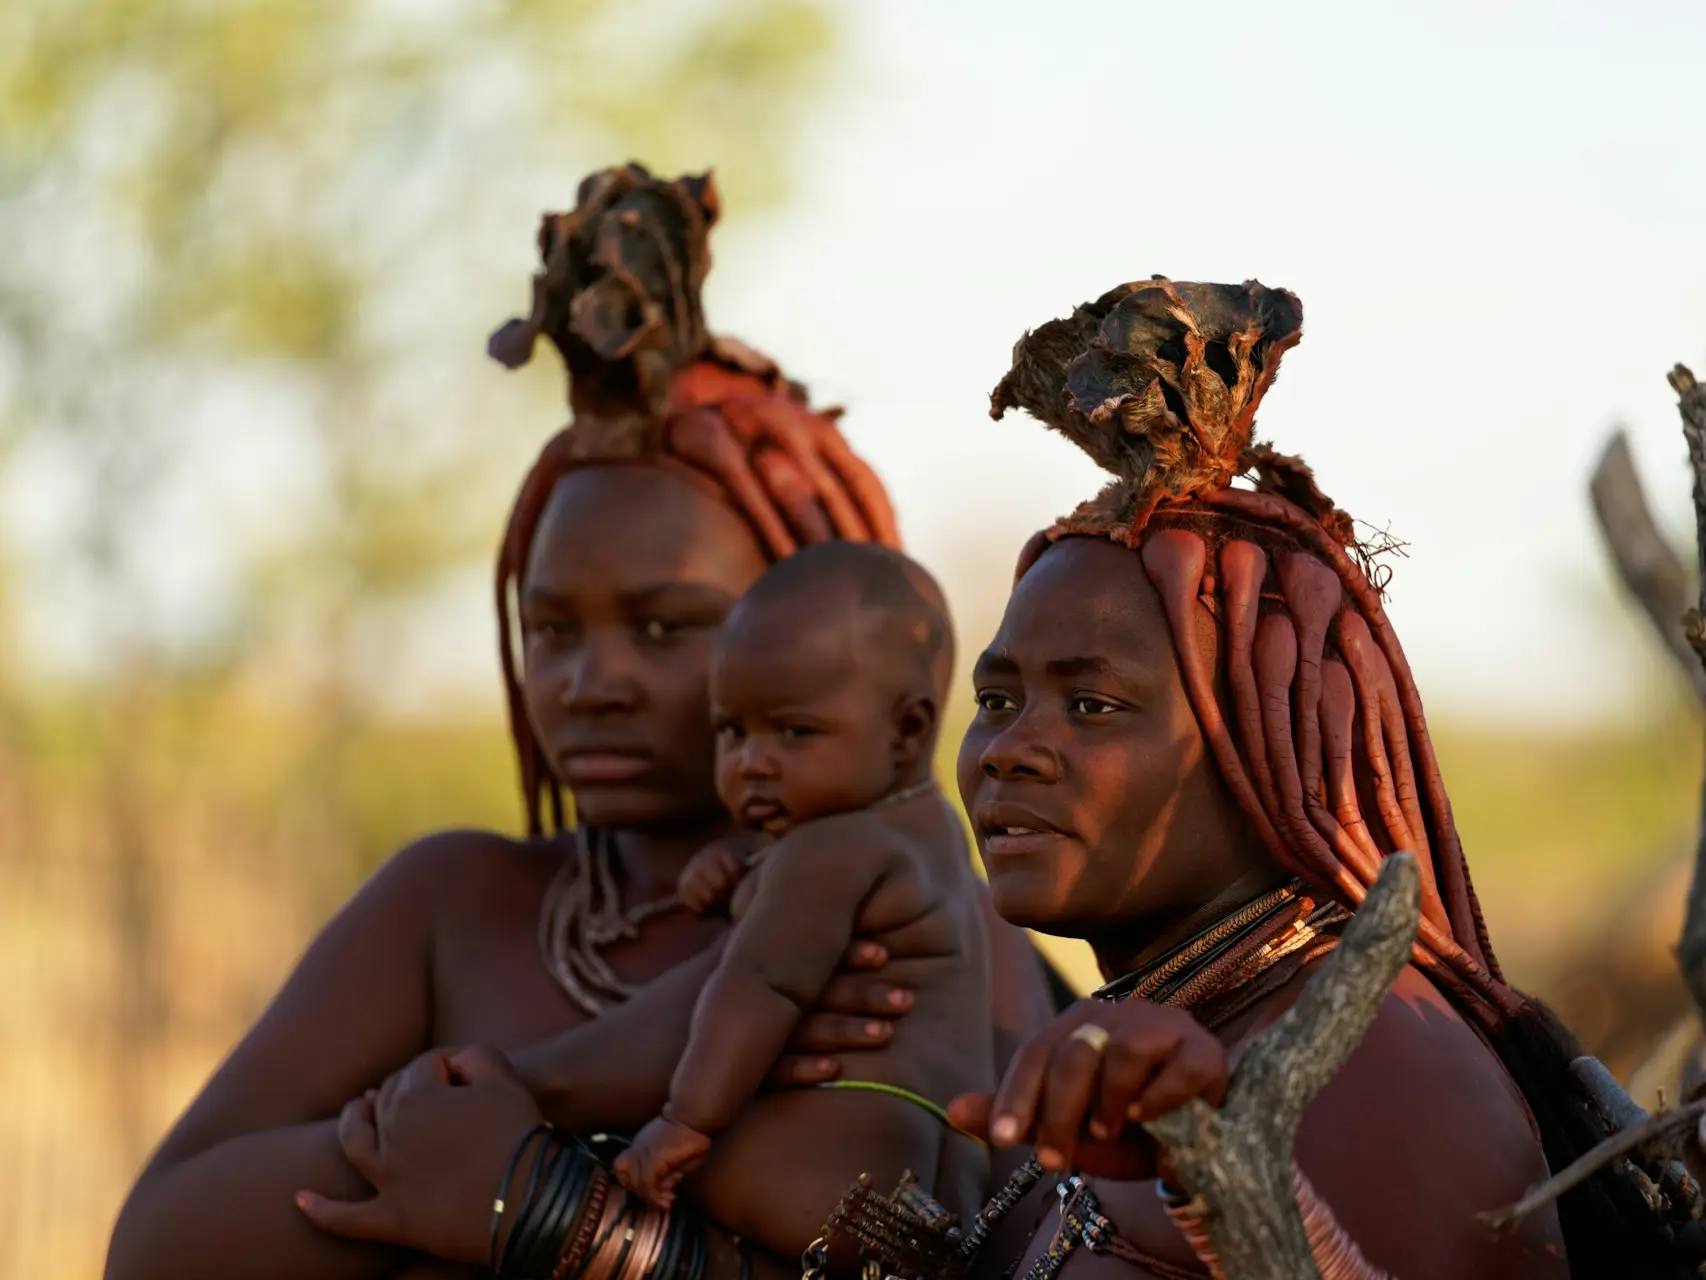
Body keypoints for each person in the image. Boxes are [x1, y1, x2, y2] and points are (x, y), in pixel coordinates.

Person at [304, 276, 1684, 1279]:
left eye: (1094, 703)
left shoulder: (1366, 1063)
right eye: (999, 696)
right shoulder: (1150, 1037)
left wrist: (555, 1213)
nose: (1010, 747)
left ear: (1270, 752)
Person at [104, 164, 1058, 1280]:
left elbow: (979, 1249)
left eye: (664, 628)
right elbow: (161, 1242)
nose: (589, 680)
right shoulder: (451, 903)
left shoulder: (922, 919)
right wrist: (461, 1145)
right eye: (550, 630)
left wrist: (539, 1191)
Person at [613, 542, 993, 1258]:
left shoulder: (826, 852)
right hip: (945, 1174)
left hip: (838, 1175)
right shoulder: (932, 827)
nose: (752, 761)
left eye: (794, 731)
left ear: (909, 729)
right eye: (732, 732)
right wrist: (744, 865)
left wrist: (682, 1121)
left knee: (587, 1162)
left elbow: (758, 984)